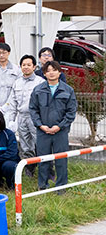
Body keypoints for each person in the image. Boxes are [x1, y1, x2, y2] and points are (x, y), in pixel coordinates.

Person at [29, 60, 78, 191]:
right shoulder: (38, 90)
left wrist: (60, 126)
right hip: (43, 131)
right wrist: (40, 125)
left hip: (60, 131)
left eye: (54, 70)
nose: (51, 73)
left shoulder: (68, 90)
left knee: (61, 160)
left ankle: (61, 187)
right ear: (44, 74)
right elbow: (33, 109)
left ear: (59, 72)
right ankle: (43, 186)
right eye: (48, 71)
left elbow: (71, 112)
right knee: (43, 159)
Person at [4, 55, 43, 169]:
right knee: (25, 144)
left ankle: (46, 169)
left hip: (35, 117)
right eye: (23, 65)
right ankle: (30, 169)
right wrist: (11, 120)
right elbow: (13, 103)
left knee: (40, 143)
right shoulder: (17, 83)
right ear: (20, 67)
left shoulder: (40, 82)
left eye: (29, 65)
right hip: (21, 117)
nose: (26, 67)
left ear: (34, 67)